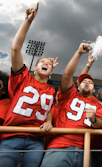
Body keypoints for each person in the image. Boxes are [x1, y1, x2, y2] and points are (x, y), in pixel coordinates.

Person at [0, 3, 57, 167]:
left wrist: (49, 121)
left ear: (51, 71)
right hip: (11, 135)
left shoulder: (51, 89)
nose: (46, 63)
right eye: (42, 62)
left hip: (36, 139)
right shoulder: (23, 77)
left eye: (49, 64)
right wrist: (28, 21)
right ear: (34, 67)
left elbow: (47, 109)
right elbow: (15, 49)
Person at [40, 43, 102, 167]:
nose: (86, 82)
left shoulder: (98, 105)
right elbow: (66, 75)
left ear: (93, 90)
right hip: (60, 146)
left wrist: (94, 119)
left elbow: (100, 124)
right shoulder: (70, 95)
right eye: (83, 81)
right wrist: (79, 53)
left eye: (90, 82)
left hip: (85, 148)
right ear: (78, 87)